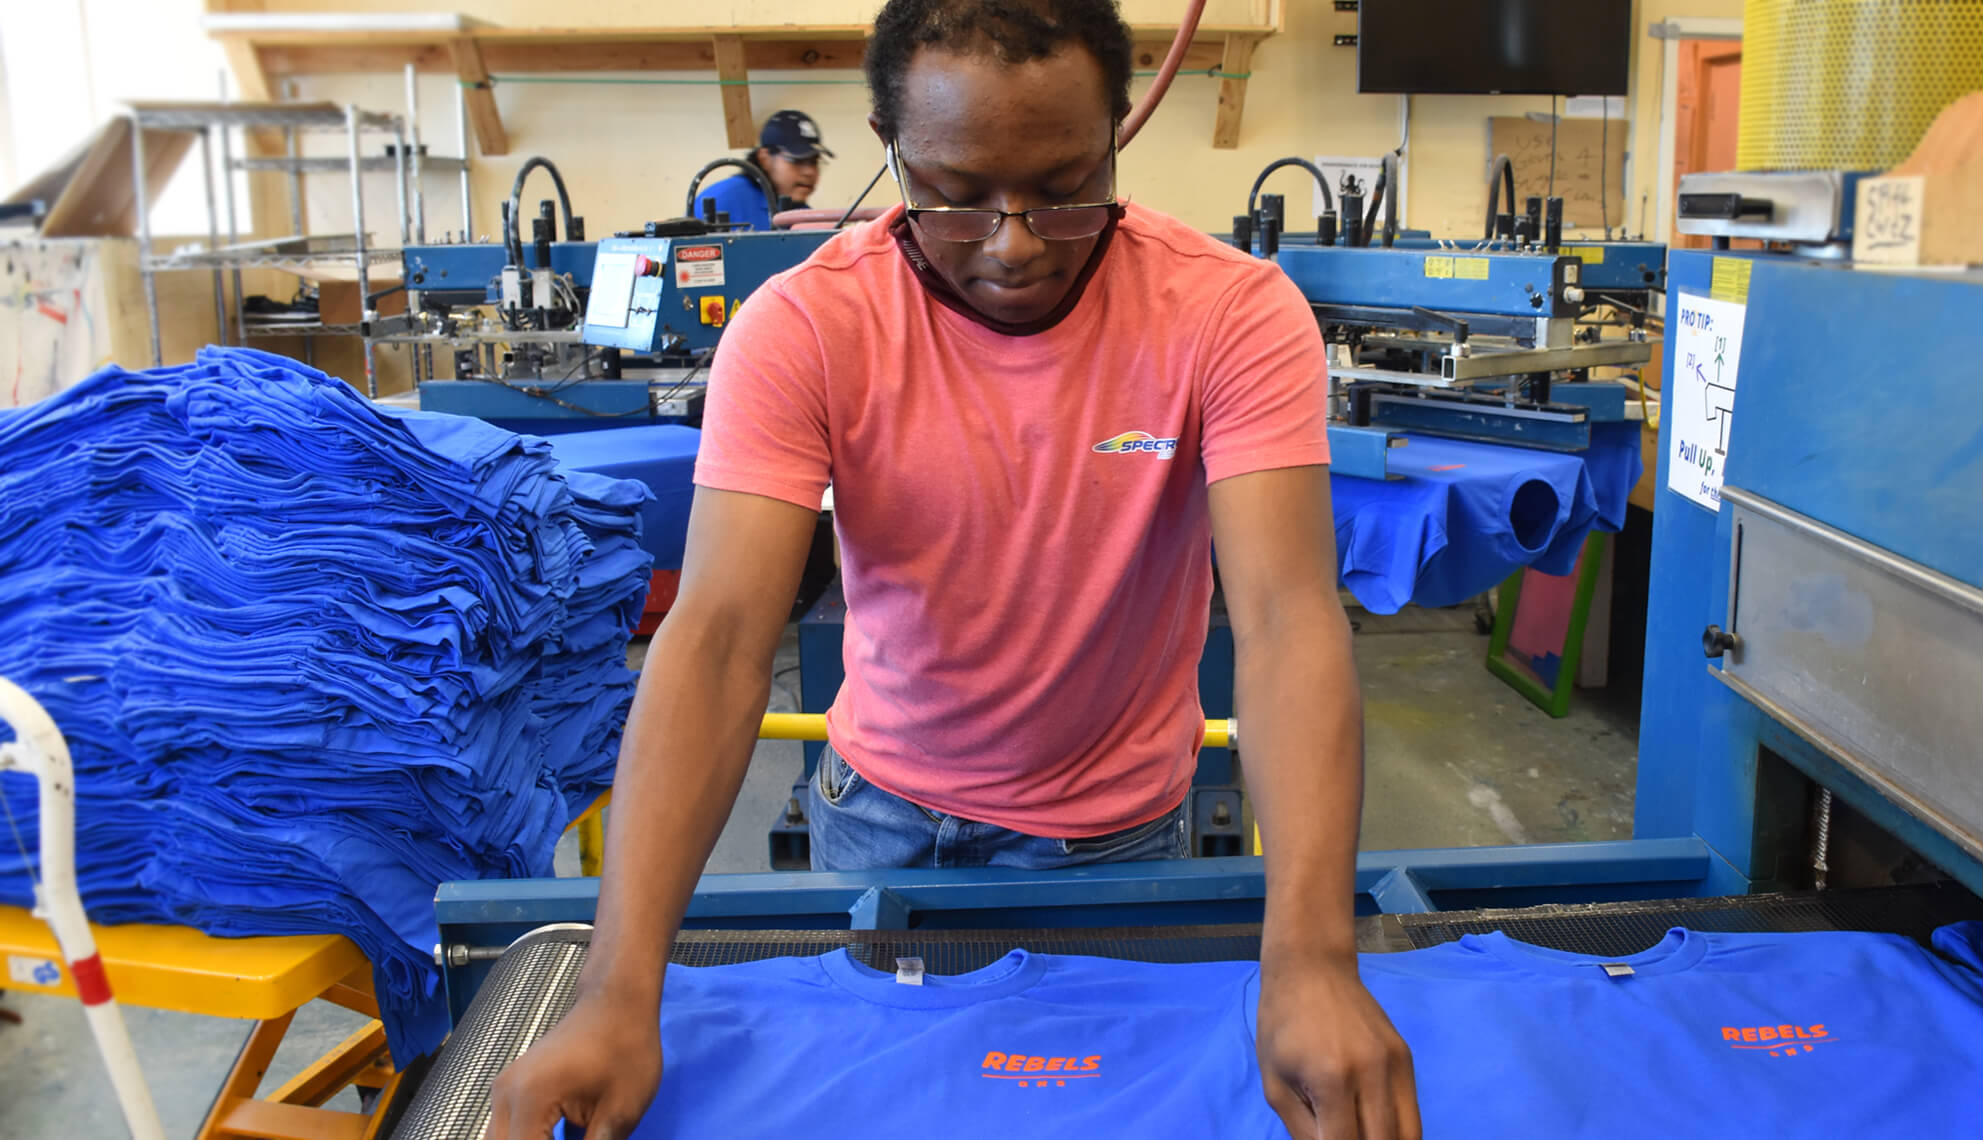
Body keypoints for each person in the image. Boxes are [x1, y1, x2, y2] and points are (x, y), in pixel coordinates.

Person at [488, 2, 1421, 1139]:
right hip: (881, 822)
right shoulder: (805, 329)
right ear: (887, 145)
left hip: (1122, 839)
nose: (1015, 239)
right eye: (956, 193)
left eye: (1066, 183)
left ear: (1119, 130)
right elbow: (722, 638)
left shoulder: (1229, 313)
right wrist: (619, 992)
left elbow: (1284, 621)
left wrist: (1315, 955)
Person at [693, 110, 833, 228]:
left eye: (814, 162)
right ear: (764, 158)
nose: (809, 172)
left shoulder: (806, 217)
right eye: (797, 161)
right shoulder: (722, 200)